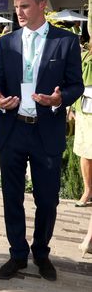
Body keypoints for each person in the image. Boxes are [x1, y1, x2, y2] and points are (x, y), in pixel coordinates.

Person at [0, 0, 84, 281]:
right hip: (12, 131)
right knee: (11, 197)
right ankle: (17, 254)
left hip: (46, 133)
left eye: (25, 5)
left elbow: (76, 86)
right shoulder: (7, 43)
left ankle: (41, 253)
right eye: (16, 6)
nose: (19, 12)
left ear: (43, 5)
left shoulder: (66, 41)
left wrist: (59, 99)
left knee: (47, 199)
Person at [69, 47, 92, 207]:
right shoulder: (84, 57)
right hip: (85, 111)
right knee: (86, 152)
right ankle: (87, 190)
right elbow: (73, 83)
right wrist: (70, 108)